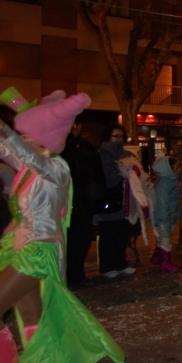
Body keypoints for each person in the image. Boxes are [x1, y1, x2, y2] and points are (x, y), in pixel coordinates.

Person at [0, 89, 124, 363]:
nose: (20, 137)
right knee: (30, 313)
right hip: (23, 248)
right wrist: (13, 103)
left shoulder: (56, 167)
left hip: (38, 252)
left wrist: (5, 129)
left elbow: (21, 152)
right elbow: (11, 151)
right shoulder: (30, 165)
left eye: (25, 133)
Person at [59, 118, 105, 287]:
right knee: (66, 243)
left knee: (82, 241)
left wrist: (97, 197)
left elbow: (97, 174)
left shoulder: (86, 147)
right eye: (70, 124)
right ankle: (66, 277)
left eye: (76, 124)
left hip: (84, 205)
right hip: (64, 206)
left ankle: (78, 276)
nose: (74, 128)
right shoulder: (57, 147)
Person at [95, 124, 136, 278]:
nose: (118, 140)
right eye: (115, 136)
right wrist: (120, 171)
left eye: (121, 136)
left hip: (124, 201)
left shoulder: (126, 154)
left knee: (121, 233)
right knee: (108, 234)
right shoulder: (101, 155)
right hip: (109, 201)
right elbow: (106, 179)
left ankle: (120, 263)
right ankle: (107, 266)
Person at [149, 156, 182, 272]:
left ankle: (157, 257)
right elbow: (162, 205)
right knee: (165, 240)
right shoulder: (165, 184)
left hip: (168, 217)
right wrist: (165, 222)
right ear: (169, 170)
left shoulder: (170, 181)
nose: (180, 170)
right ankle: (165, 262)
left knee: (162, 239)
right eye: (177, 168)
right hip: (164, 219)